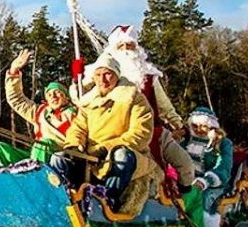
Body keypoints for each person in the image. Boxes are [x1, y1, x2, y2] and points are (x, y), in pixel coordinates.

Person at [74, 26, 188, 180]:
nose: (126, 49)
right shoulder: (103, 73)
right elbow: (79, 98)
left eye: (130, 45)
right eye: (121, 46)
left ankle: (187, 195)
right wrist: (77, 79)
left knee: (185, 163)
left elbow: (164, 104)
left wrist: (178, 124)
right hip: (111, 129)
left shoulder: (148, 74)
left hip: (149, 130)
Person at [49, 54, 154, 211]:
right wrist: (74, 146)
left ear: (117, 75)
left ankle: (105, 201)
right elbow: (78, 128)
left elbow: (140, 134)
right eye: (98, 75)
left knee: (121, 157)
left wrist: (106, 148)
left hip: (124, 155)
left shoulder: (134, 99)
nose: (102, 80)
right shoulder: (88, 102)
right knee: (58, 157)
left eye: (107, 74)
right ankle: (64, 202)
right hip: (89, 158)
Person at [0, 48, 76, 165]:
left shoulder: (76, 113)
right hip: (36, 155)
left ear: (66, 96)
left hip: (60, 158)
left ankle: (36, 177)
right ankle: (2, 180)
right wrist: (14, 70)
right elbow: (17, 100)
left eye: (57, 92)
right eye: (49, 94)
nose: (53, 96)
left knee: (44, 144)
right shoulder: (40, 112)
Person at [178, 107, 233, 227]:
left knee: (203, 199)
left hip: (214, 184)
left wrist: (205, 181)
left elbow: (223, 168)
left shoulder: (222, 143)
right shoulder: (185, 141)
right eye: (194, 126)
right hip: (186, 181)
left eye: (203, 126)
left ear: (211, 126)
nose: (198, 130)